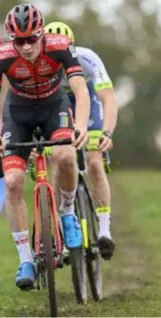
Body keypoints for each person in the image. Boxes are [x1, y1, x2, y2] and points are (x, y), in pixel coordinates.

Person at [0, 4, 90, 291]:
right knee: (13, 181)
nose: (27, 46)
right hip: (18, 113)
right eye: (19, 41)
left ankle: (67, 212)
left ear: (42, 33)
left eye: (32, 38)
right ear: (10, 39)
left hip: (55, 106)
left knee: (65, 155)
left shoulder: (60, 46)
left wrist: (80, 124)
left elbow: (79, 88)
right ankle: (25, 259)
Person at [44, 21, 118, 260]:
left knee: (94, 161)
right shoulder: (41, 65)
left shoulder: (87, 59)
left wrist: (106, 133)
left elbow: (107, 98)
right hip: (58, 109)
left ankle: (105, 230)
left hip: (88, 106)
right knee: (58, 160)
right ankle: (59, 229)